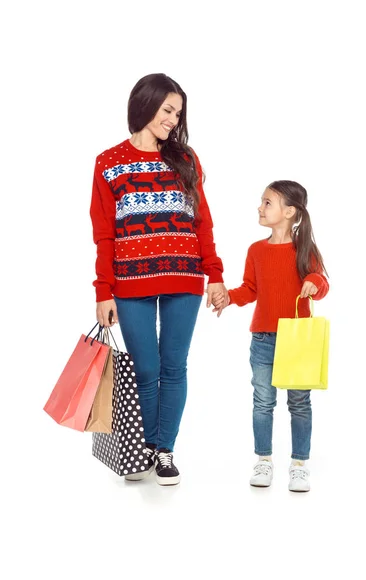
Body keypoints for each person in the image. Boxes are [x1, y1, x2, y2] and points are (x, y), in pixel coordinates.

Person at [90, 73, 228, 486]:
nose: (173, 120)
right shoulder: (109, 162)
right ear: (144, 104)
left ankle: (163, 449)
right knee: (145, 368)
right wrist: (103, 291)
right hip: (130, 283)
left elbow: (202, 222)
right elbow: (104, 234)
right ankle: (147, 445)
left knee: (174, 366)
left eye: (178, 113)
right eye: (167, 110)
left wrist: (215, 275)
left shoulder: (186, 159)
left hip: (184, 277)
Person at [212, 180, 329, 492]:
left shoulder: (305, 248)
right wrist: (228, 298)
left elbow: (323, 283)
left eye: (267, 203)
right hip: (264, 338)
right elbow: (250, 289)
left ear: (289, 211)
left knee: (300, 402)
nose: (260, 208)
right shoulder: (256, 250)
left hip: (298, 339)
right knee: (263, 402)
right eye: (261, 202)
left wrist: (314, 281)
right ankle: (264, 461)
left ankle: (299, 464)